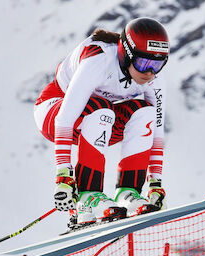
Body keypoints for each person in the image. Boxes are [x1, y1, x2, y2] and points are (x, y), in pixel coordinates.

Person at [33, 17, 168, 230]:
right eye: (144, 63)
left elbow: (157, 134)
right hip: (53, 112)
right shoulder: (99, 59)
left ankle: (128, 193)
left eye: (158, 64)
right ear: (127, 54)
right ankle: (88, 196)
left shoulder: (153, 80)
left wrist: (156, 185)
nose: (150, 72)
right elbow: (65, 118)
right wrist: (63, 177)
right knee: (101, 107)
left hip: (98, 120)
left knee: (146, 112)